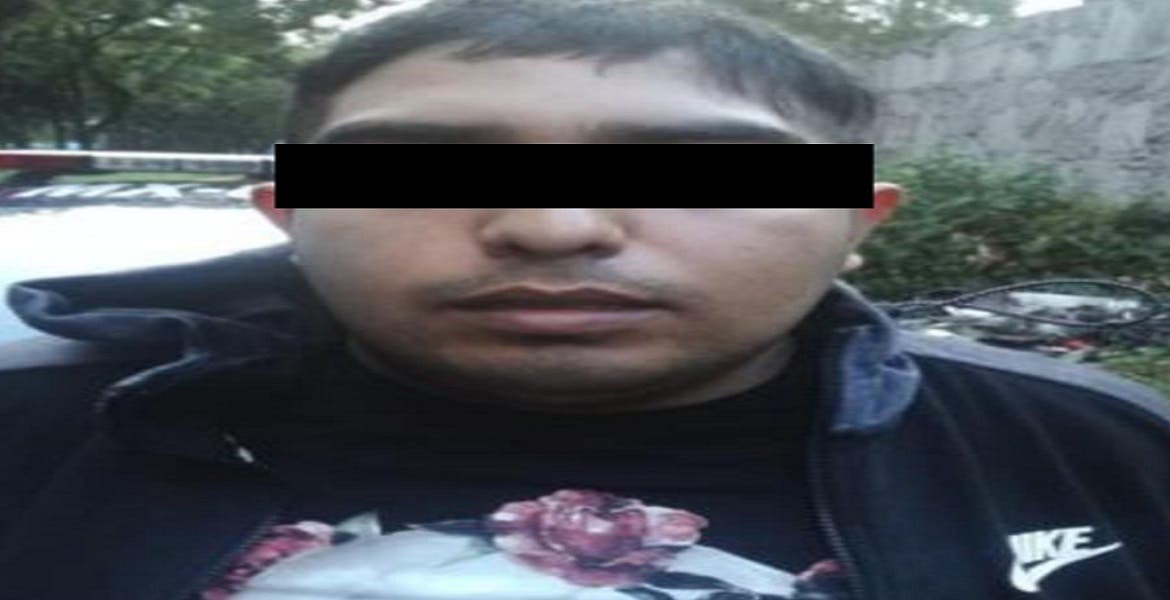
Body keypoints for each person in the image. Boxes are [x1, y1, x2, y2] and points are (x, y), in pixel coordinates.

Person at [1, 1, 1168, 599]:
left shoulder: (1101, 455)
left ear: (858, 222)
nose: (554, 226)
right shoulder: (35, 437)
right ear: (289, 213)